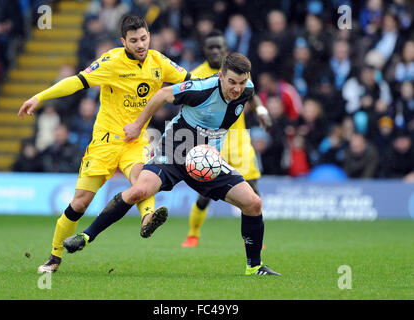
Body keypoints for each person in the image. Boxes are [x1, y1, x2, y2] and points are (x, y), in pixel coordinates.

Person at [64, 53, 280, 276]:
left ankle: (254, 267)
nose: (237, 88)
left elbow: (251, 96)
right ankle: (86, 236)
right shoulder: (201, 89)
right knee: (140, 190)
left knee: (253, 203)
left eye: (242, 82)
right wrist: (138, 126)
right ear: (220, 76)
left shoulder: (247, 89)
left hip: (206, 161)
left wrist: (261, 111)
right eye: (232, 82)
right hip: (175, 151)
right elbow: (162, 94)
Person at [17, 14, 191, 273]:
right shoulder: (111, 62)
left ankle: (147, 220)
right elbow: (76, 82)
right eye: (134, 41)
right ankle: (54, 257)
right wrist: (40, 97)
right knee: (80, 203)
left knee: (141, 180)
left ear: (149, 36)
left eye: (144, 38)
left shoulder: (159, 62)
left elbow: (192, 83)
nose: (141, 44)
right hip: (105, 143)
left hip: (136, 141)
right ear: (124, 41)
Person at [180, 29, 270, 248]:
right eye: (210, 47)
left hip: (238, 138)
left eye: (219, 47)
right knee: (206, 195)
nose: (215, 51)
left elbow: (252, 95)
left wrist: (262, 112)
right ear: (204, 50)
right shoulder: (195, 74)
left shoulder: (239, 73)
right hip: (210, 140)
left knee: (252, 190)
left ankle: (253, 237)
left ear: (225, 49)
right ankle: (193, 234)